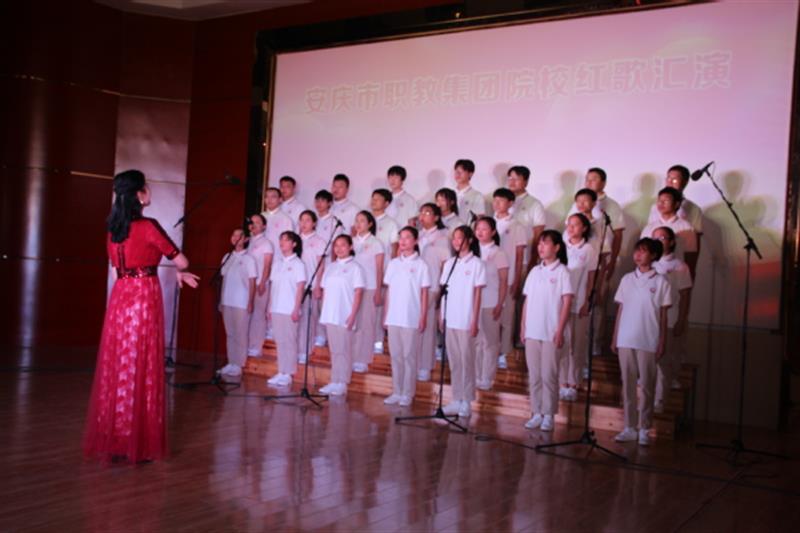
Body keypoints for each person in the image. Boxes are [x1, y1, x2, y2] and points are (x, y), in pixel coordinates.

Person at [84, 169, 199, 464]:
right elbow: (182, 260)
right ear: (139, 194)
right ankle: (138, 441)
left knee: (119, 365)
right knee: (141, 365)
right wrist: (181, 271)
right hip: (144, 298)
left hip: (120, 298)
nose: (149, 192)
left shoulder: (113, 230)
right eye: (146, 188)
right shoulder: (149, 226)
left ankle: (116, 438)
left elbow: (116, 271)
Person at [611, 238, 672, 446]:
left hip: (648, 339)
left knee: (646, 385)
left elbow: (663, 315)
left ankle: (645, 427)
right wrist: (615, 336)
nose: (638, 255)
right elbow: (621, 309)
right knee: (627, 383)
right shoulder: (627, 279)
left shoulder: (661, 282)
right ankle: (629, 427)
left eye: (643, 251)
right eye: (636, 250)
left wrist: (662, 341)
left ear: (653, 255)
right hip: (625, 338)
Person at [520, 230, 574, 432]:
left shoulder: (563, 272)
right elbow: (527, 301)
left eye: (546, 243)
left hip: (551, 332)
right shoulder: (535, 271)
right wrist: (523, 326)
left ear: (557, 247)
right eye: (539, 244)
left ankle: (549, 414)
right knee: (534, 375)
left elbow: (567, 302)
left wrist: (560, 330)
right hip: (532, 331)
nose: (541, 247)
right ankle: (536, 412)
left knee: (549, 375)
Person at [440, 225, 486, 418]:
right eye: (454, 238)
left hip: (466, 320)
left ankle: (466, 400)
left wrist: (475, 320)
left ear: (470, 240)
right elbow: (444, 292)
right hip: (450, 319)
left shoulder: (477, 264)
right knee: (455, 361)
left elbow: (477, 294)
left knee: (467, 361)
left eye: (460, 238)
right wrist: (442, 316)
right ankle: (456, 398)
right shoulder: (449, 263)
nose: (456, 242)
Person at [382, 226, 431, 407]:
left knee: (409, 356)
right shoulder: (393, 264)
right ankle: (397, 391)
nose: (402, 241)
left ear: (415, 241)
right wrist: (385, 315)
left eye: (407, 237)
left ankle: (408, 393)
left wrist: (423, 316)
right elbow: (389, 291)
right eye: (400, 237)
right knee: (395, 356)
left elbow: (424, 293)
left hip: (411, 317)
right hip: (394, 316)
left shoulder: (421, 265)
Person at [652, 226, 693, 412]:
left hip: (669, 319)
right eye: (654, 238)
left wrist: (681, 319)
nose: (657, 241)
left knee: (664, 361)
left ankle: (660, 400)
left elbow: (685, 295)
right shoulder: (649, 264)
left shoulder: (679, 266)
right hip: (649, 321)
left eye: (662, 238)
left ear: (671, 242)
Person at [319, 235, 366, 396]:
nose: (339, 249)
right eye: (336, 246)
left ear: (350, 247)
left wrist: (353, 315)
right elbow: (325, 290)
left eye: (343, 245)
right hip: (330, 314)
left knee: (344, 349)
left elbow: (358, 292)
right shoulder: (330, 267)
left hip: (345, 314)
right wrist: (324, 311)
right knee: (334, 349)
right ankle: (334, 380)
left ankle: (343, 382)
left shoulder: (355, 268)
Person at [560, 213, 599, 402]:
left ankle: (574, 382)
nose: (571, 228)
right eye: (569, 224)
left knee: (577, 344)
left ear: (584, 228)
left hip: (580, 301)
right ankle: (562, 382)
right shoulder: (561, 246)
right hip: (561, 303)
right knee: (563, 342)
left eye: (575, 225)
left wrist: (587, 301)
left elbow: (591, 278)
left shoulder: (589, 249)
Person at [567, 167, 625, 281]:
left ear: (603, 183)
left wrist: (613, 261)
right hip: (577, 254)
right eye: (587, 179)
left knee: (596, 287)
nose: (589, 182)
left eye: (593, 179)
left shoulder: (612, 205)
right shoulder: (577, 204)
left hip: (601, 255)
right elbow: (568, 227)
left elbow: (618, 235)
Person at [492, 188, 528, 370]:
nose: (497, 204)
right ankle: (490, 350)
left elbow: (520, 255)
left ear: (510, 203)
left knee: (506, 318)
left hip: (509, 277)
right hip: (489, 279)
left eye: (501, 200)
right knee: (490, 317)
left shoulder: (517, 226)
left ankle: (504, 353)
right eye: (495, 200)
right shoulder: (488, 223)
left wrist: (517, 280)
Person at [473, 216, 509, 391]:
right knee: (476, 341)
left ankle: (487, 376)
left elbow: (503, 281)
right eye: (478, 228)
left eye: (484, 229)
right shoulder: (472, 251)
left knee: (490, 341)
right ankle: (476, 374)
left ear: (493, 232)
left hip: (491, 302)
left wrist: (500, 303)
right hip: (474, 303)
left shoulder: (498, 253)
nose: (480, 232)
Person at [267, 231, 306, 387]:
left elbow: (300, 288)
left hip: (289, 309)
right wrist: (269, 307)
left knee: (289, 341)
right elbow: (273, 287)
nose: (282, 242)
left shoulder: (298, 264)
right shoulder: (277, 263)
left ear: (294, 244)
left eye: (286, 240)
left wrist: (296, 308)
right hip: (276, 308)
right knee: (280, 341)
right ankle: (281, 371)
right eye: (280, 239)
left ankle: (288, 373)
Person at [648, 164, 703, 275]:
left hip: (679, 258)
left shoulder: (694, 209)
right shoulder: (655, 207)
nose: (670, 182)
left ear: (685, 182)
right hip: (657, 260)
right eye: (668, 178)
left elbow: (695, 240)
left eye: (674, 179)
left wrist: (691, 268)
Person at [417, 203, 451, 381]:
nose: (422, 216)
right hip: (415, 287)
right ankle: (415, 363)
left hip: (432, 286)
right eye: (421, 213)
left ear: (436, 217)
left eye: (427, 213)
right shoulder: (417, 235)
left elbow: (445, 265)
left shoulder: (442, 237)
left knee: (428, 326)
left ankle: (425, 365)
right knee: (415, 326)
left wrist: (441, 289)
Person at [219, 228, 257, 379]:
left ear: (246, 239)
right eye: (233, 235)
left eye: (239, 236)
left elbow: (252, 282)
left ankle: (239, 364)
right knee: (230, 333)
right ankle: (231, 362)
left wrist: (250, 302)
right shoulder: (227, 257)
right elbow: (223, 279)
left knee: (240, 333)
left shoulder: (249, 259)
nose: (236, 238)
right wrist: (221, 300)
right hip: (227, 301)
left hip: (241, 302)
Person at [352, 211, 385, 373]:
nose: (358, 224)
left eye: (362, 221)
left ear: (370, 224)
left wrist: (378, 291)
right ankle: (352, 356)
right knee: (353, 323)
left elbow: (379, 269)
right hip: (352, 288)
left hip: (369, 287)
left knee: (366, 324)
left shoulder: (376, 243)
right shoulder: (350, 242)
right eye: (356, 220)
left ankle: (363, 359)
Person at [641, 187, 698, 278]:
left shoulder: (686, 227)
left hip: (676, 273)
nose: (661, 203)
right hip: (652, 275)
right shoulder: (649, 227)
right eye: (659, 200)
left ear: (676, 204)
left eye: (666, 201)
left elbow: (691, 256)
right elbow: (642, 253)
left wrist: (689, 276)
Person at [371, 189, 399, 354]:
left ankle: (378, 341)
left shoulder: (391, 223)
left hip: (383, 270)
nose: (373, 201)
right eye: (373, 198)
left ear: (386, 203)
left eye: (378, 199)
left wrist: (390, 273)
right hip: (366, 272)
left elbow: (394, 250)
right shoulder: (365, 220)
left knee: (379, 306)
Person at [297, 210, 327, 363]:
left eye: (307, 220)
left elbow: (321, 265)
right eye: (301, 220)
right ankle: (296, 350)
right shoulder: (295, 239)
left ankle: (305, 351)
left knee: (308, 319)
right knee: (296, 319)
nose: (304, 223)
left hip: (310, 285)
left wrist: (318, 285)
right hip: (295, 286)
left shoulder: (319, 241)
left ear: (314, 223)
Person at [506, 165, 546, 265]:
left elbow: (538, 234)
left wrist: (533, 259)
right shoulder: (503, 201)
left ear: (526, 182)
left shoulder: (535, 204)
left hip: (524, 258)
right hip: (504, 257)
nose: (512, 182)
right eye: (510, 178)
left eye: (516, 179)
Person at [246, 213, 273, 358]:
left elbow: (267, 265)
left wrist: (263, 282)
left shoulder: (266, 243)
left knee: (258, 315)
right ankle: (248, 344)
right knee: (248, 316)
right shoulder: (248, 241)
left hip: (259, 284)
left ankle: (256, 346)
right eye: (252, 222)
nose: (254, 225)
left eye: (257, 222)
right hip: (247, 285)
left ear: (264, 226)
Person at [261, 187, 294, 253]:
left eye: (273, 197)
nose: (269, 199)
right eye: (267, 197)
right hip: (260, 254)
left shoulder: (286, 219)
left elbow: (289, 242)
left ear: (280, 199)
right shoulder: (260, 216)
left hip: (277, 254)